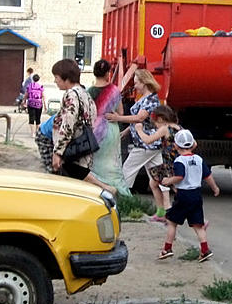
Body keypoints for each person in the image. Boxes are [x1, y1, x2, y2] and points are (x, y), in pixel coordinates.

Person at [106, 68, 168, 220]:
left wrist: (117, 118)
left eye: (136, 83)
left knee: (126, 173)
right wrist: (126, 132)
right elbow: (140, 121)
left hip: (145, 145)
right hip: (151, 145)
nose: (135, 86)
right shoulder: (145, 98)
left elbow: (140, 118)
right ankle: (164, 211)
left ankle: (121, 207)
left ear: (144, 82)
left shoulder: (150, 100)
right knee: (158, 179)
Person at [50, 58, 116, 196]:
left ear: (65, 77)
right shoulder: (85, 93)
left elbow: (68, 125)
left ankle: (107, 191)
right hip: (83, 146)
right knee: (80, 180)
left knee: (76, 182)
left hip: (72, 147)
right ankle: (106, 191)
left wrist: (58, 152)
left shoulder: (71, 95)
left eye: (56, 77)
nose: (55, 81)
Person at [157, 128, 220, 263]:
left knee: (172, 222)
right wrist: (215, 188)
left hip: (184, 195)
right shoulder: (198, 159)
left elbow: (180, 176)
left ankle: (167, 248)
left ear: (175, 145)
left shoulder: (179, 161)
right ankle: (205, 250)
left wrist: (168, 181)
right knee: (198, 225)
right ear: (193, 144)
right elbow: (207, 176)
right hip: (197, 195)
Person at [86, 59, 131, 196]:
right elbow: (121, 113)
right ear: (107, 73)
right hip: (110, 128)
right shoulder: (114, 90)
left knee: (94, 162)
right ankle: (117, 190)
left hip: (94, 130)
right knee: (112, 161)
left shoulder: (89, 91)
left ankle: (98, 189)